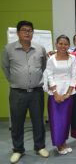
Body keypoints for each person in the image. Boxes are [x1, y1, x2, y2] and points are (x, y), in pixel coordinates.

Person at [1, 20, 49, 163]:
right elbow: (5, 68)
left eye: (30, 30)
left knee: (38, 121)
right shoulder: (8, 49)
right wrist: (16, 82)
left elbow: (43, 67)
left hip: (36, 92)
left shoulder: (40, 48)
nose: (27, 33)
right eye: (24, 30)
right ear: (18, 33)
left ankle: (39, 147)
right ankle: (18, 149)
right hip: (17, 93)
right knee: (17, 122)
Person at [44, 35, 76, 155]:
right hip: (55, 94)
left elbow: (74, 76)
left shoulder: (72, 58)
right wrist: (56, 94)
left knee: (66, 120)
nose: (63, 46)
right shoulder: (51, 59)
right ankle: (58, 144)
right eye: (60, 44)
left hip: (68, 93)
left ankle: (63, 142)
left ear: (69, 45)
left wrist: (68, 93)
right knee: (56, 120)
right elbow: (49, 76)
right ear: (56, 44)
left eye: (65, 44)